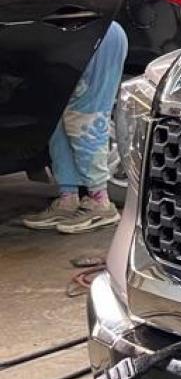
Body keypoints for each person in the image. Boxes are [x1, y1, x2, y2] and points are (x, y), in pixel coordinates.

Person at [21, 20, 128, 234]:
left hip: (88, 34)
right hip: (72, 35)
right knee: (57, 124)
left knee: (84, 120)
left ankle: (101, 202)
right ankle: (68, 198)